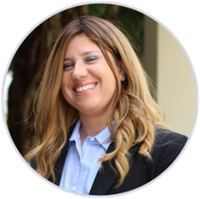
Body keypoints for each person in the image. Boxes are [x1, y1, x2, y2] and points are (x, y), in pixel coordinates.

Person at [25, 15, 188, 195]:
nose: (77, 73)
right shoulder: (41, 159)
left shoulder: (169, 152)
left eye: (91, 59)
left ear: (121, 69)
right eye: (67, 65)